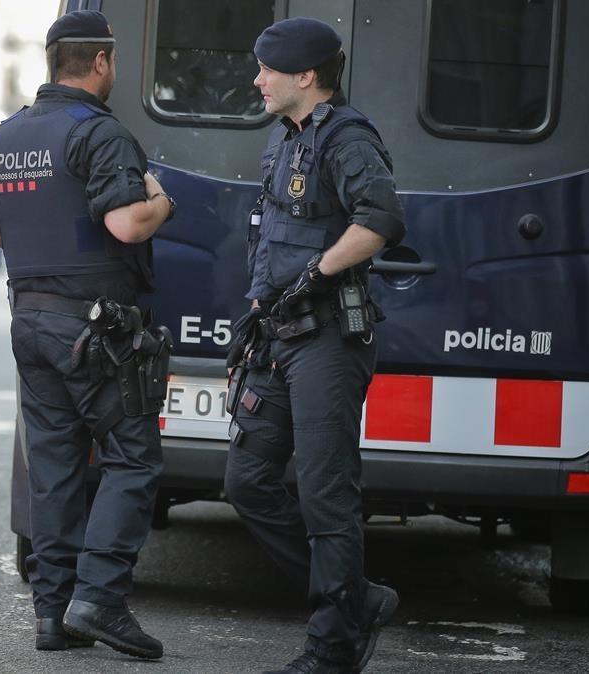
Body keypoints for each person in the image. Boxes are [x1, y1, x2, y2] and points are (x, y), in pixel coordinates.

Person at [0, 10, 174, 661]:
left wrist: (38, 225)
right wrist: (161, 199)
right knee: (132, 458)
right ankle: (100, 597)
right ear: (101, 62)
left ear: (53, 63)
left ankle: (53, 616)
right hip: (95, 328)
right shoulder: (99, 134)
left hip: (30, 323)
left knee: (53, 472)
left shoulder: (6, 136)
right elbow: (128, 225)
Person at [224, 17, 407, 674]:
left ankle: (331, 647)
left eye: (266, 69)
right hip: (278, 337)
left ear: (305, 76)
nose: (257, 80)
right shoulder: (284, 139)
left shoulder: (348, 139)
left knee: (325, 494)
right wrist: (253, 312)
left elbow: (382, 219)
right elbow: (271, 236)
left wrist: (319, 272)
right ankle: (354, 597)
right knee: (246, 482)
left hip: (328, 339)